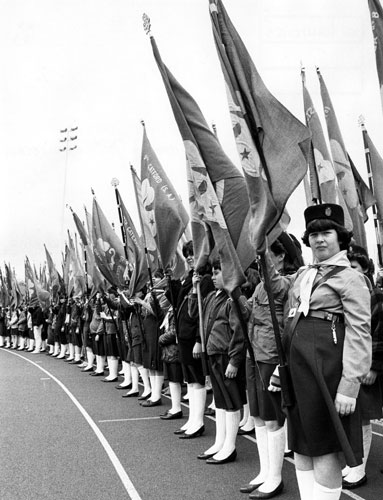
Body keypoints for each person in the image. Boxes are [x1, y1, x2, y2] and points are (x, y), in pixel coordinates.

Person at [266, 204, 371, 500]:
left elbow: (359, 333)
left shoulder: (351, 278)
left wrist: (350, 385)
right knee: (302, 442)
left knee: (324, 446)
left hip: (327, 367)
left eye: (326, 232)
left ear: (340, 238)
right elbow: (289, 319)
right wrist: (280, 367)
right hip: (298, 366)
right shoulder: (303, 274)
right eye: (313, 234)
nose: (319, 239)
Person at [241, 234, 303, 498]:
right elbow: (253, 317)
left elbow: (274, 283)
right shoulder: (258, 288)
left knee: (273, 418)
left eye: (268, 254)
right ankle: (265, 471)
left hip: (271, 356)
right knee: (258, 415)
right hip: (255, 354)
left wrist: (260, 248)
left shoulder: (287, 281)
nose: (260, 259)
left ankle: (275, 478)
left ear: (280, 257)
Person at [189, 259, 247, 463]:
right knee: (221, 402)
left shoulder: (233, 299)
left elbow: (239, 332)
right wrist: (195, 291)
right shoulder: (212, 296)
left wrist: (235, 360)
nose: (212, 277)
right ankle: (220, 442)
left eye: (217, 273)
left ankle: (230, 446)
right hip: (212, 353)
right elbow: (195, 314)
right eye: (212, 273)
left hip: (225, 355)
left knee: (231, 402)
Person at [341, 245, 383, 489]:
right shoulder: (347, 291)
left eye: (354, 267)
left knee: (362, 417)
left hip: (366, 366)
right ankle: (353, 463)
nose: (350, 271)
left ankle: (358, 469)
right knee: (352, 416)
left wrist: (374, 366)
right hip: (349, 364)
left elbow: (378, 332)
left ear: (366, 268)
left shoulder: (374, 294)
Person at [172, 241, 214, 438]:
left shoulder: (205, 280)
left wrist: (199, 339)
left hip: (194, 337)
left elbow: (203, 312)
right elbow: (178, 305)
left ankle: (198, 422)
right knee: (189, 380)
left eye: (193, 254)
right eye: (187, 254)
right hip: (184, 336)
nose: (189, 257)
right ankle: (192, 419)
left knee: (197, 380)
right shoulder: (190, 278)